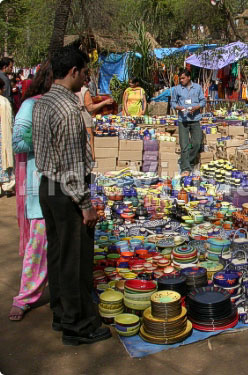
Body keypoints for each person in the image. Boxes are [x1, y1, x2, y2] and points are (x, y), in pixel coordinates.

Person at [32, 46, 110, 345]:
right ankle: (77, 325)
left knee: (58, 253)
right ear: (74, 71)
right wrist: (85, 204)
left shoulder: (43, 102)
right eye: (85, 73)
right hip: (67, 191)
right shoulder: (67, 109)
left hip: (48, 186)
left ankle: (61, 312)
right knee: (74, 259)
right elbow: (71, 163)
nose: (86, 79)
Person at [9, 61, 53, 321]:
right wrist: (48, 137)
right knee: (38, 243)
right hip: (38, 186)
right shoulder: (31, 105)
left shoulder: (64, 103)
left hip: (63, 183)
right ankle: (25, 296)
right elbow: (17, 141)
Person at [171, 69, 206, 177]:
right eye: (180, 78)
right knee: (184, 144)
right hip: (183, 120)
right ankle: (186, 168)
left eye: (183, 78)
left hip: (195, 119)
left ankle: (185, 160)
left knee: (196, 143)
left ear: (189, 77)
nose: (181, 80)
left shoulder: (198, 88)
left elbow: (203, 101)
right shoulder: (177, 89)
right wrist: (179, 107)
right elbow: (173, 103)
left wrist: (197, 107)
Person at [76, 77, 114, 158]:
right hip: (85, 122)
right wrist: (105, 102)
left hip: (75, 120)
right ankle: (91, 163)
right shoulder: (84, 90)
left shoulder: (70, 90)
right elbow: (90, 107)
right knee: (89, 145)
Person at [0, 79, 14, 196]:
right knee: (4, 159)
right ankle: (6, 186)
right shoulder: (4, 102)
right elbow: (10, 121)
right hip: (3, 136)